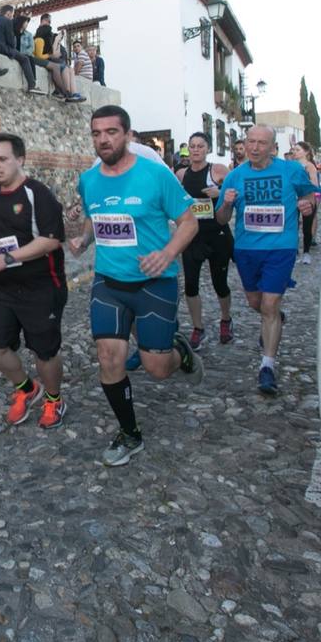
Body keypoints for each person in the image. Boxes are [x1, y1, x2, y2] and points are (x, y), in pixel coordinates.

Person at [69, 105, 203, 467]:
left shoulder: (156, 176)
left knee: (157, 368)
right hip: (109, 282)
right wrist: (84, 239)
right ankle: (130, 433)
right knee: (109, 357)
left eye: (111, 132)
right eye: (96, 133)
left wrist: (168, 252)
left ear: (127, 135)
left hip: (154, 283)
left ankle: (180, 352)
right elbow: (91, 215)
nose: (103, 140)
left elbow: (189, 222)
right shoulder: (89, 179)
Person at [0, 133, 69, 428]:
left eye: (3, 159)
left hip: (41, 286)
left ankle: (53, 398)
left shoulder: (38, 194)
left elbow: (51, 241)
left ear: (20, 159)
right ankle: (27, 388)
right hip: (1, 286)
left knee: (44, 351)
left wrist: (8, 257)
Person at [216, 124, 317, 396]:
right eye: (251, 142)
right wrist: (225, 204)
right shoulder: (234, 176)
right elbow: (221, 219)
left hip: (280, 248)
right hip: (247, 249)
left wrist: (309, 205)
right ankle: (273, 319)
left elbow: (310, 196)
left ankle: (267, 367)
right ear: (244, 144)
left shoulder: (291, 170)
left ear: (273, 147)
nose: (255, 147)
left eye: (262, 143)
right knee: (256, 303)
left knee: (270, 304)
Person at [176, 132, 234, 349]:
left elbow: (234, 191)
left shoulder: (217, 170)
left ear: (207, 149)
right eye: (192, 146)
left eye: (200, 146)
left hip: (217, 234)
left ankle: (226, 319)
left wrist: (219, 191)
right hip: (192, 236)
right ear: (188, 149)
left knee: (220, 284)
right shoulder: (181, 174)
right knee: (190, 285)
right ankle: (198, 328)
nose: (196, 150)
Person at [0, 3, 41, 93]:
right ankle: (32, 85)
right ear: (8, 13)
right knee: (25, 59)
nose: (12, 18)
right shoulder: (7, 21)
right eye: (12, 15)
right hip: (1, 48)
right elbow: (11, 42)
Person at [289, 140, 321, 264]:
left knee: (306, 227)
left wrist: (303, 185)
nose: (295, 152)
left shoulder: (309, 166)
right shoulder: (291, 165)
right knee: (292, 225)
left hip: (307, 198)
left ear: (306, 152)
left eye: (298, 150)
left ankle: (306, 253)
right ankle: (294, 250)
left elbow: (315, 183)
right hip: (293, 199)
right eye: (294, 150)